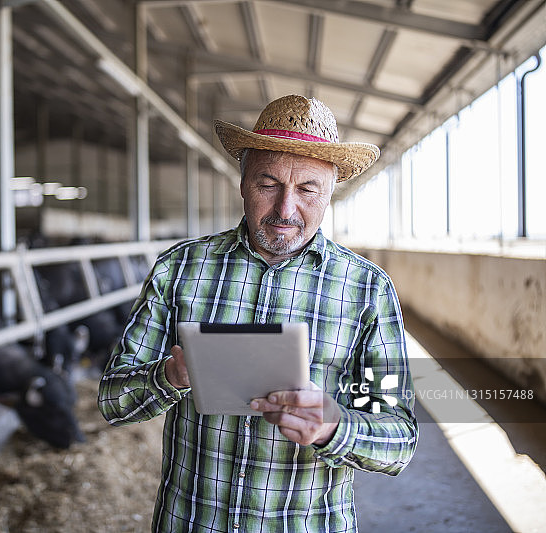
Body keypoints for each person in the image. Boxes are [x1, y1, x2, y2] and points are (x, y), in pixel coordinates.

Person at [97, 94, 418, 532]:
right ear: (243, 182)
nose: (286, 210)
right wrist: (169, 377)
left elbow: (398, 440)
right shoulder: (181, 268)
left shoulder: (367, 289)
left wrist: (333, 427)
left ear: (329, 195)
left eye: (308, 189)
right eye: (268, 184)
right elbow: (112, 401)